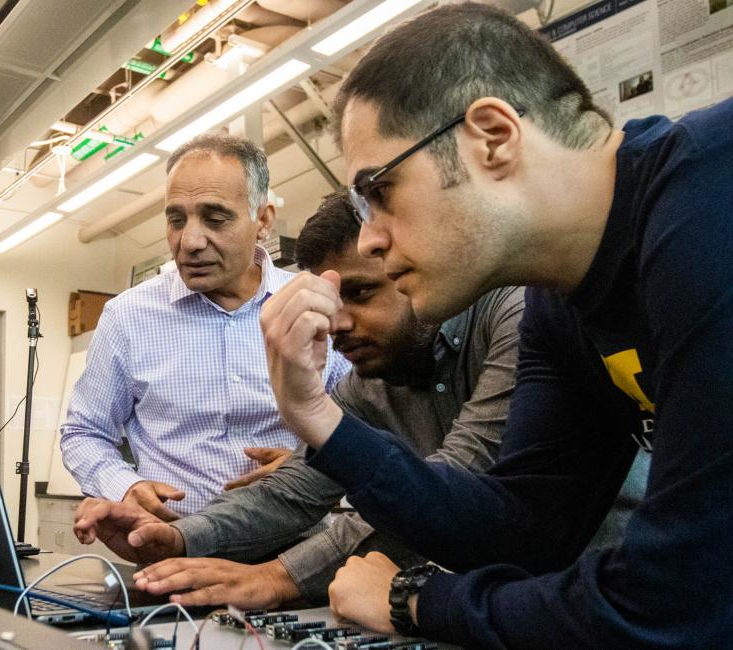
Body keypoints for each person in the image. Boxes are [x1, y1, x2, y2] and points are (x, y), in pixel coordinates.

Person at [262, 4, 733, 647]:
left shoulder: (708, 208)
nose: (369, 239)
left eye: (380, 192)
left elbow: (676, 603)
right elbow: (524, 529)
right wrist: (316, 416)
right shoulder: (559, 306)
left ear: (491, 136)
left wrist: (418, 600)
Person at [73, 191, 524, 609]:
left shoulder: (513, 316)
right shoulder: (371, 378)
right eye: (329, 300)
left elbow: (452, 480)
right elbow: (292, 491)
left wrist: (278, 576)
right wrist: (176, 538)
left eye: (361, 292)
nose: (337, 323)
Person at [60, 133, 349, 520]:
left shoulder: (314, 309)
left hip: (298, 558)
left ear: (262, 220)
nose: (190, 241)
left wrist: (313, 468)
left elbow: (363, 432)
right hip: (173, 553)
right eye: (176, 220)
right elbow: (84, 434)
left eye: (215, 218)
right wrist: (124, 486)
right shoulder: (128, 318)